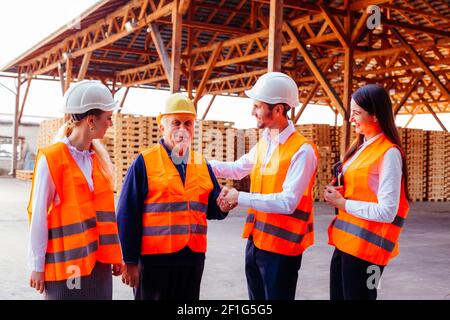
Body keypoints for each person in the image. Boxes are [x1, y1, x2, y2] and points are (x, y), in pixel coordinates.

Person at [210, 72, 319, 300]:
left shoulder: (302, 150)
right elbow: (239, 168)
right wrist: (203, 165)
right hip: (257, 241)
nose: (253, 111)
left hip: (282, 249)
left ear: (278, 110)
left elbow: (288, 202)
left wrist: (239, 197)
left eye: (257, 106)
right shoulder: (267, 142)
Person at [117, 93, 231, 300]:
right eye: (176, 123)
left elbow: (212, 208)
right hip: (154, 262)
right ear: (162, 127)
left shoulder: (202, 163)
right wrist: (130, 261)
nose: (182, 129)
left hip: (192, 259)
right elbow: (127, 215)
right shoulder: (144, 162)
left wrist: (224, 205)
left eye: (188, 123)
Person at [27, 80, 123, 300]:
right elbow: (38, 215)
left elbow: (105, 216)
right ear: (91, 120)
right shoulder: (52, 158)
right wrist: (37, 266)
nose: (110, 123)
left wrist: (115, 255)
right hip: (66, 267)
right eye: (108, 118)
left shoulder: (98, 160)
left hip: (98, 265)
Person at [324, 84, 409, 300]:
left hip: (370, 252)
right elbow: (361, 188)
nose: (351, 118)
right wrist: (340, 192)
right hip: (347, 244)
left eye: (357, 113)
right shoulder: (362, 147)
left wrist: (343, 204)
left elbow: (387, 211)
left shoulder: (389, 153)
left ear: (376, 116)